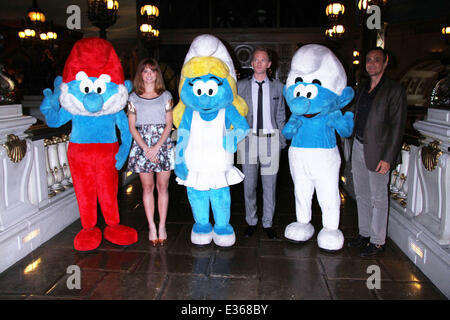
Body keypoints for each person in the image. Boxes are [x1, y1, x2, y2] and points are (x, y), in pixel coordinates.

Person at [347, 47, 407, 256]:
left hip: (379, 152)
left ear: (385, 62)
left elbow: (397, 127)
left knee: (379, 198)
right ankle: (364, 234)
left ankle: (377, 240)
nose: (372, 63)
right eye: (369, 60)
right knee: (361, 194)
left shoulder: (394, 90)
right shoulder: (363, 87)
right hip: (359, 146)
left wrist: (388, 159)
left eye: (377, 60)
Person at [237, 47, 287, 239]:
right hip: (248, 141)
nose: (258, 63)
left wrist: (281, 139)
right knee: (248, 185)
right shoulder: (240, 86)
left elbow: (281, 114)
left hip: (270, 141)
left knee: (269, 186)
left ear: (269, 64)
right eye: (255, 60)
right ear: (252, 63)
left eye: (262, 60)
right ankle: (251, 221)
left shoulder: (278, 87)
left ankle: (268, 223)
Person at [127, 58, 174, 246]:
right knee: (147, 187)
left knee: (163, 187)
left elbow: (169, 124)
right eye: (145, 71)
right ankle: (151, 226)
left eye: (152, 71)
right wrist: (146, 148)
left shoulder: (166, 95)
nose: (148, 74)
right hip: (142, 145)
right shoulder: (133, 97)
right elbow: (132, 127)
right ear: (141, 74)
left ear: (157, 74)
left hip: (162, 144)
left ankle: (162, 225)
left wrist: (157, 147)